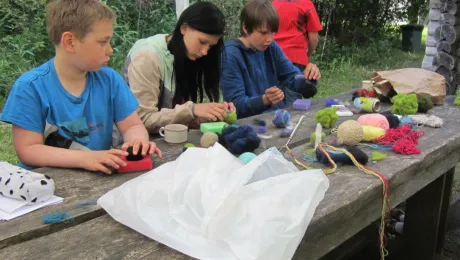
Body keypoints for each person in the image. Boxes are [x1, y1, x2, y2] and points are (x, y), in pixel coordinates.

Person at [0, 0, 162, 174]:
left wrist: (137, 142)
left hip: (95, 181)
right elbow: (28, 150)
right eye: (103, 42)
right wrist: (86, 158)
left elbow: (131, 126)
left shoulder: (109, 80)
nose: (110, 50)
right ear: (70, 42)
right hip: (44, 188)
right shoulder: (30, 88)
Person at [123, 2, 235, 133]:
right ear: (184, 28)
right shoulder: (147, 56)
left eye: (210, 46)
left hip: (167, 141)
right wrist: (192, 109)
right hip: (133, 146)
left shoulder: (189, 55)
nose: (205, 52)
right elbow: (142, 120)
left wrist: (213, 113)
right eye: (202, 42)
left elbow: (181, 118)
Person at [220, 0, 321, 119]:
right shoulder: (230, 54)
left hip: (275, 120)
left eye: (273, 32)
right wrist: (264, 100)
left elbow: (292, 78)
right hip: (247, 126)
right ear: (246, 28)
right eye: (263, 33)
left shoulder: (271, 47)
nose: (269, 39)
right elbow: (235, 106)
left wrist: (308, 77)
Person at [273, 0, 323, 71]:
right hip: (297, 59)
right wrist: (307, 55)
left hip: (274, 56)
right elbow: (314, 39)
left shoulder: (274, 4)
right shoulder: (307, 4)